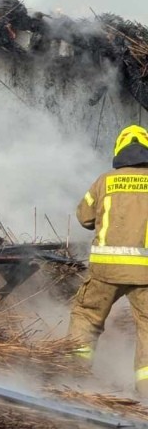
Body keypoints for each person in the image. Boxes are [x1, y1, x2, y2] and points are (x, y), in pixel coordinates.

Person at [68, 124, 148, 394]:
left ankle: (74, 378)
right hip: (146, 274)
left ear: (119, 150)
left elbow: (84, 217)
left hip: (106, 271)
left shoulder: (105, 181)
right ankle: (146, 393)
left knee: (87, 316)